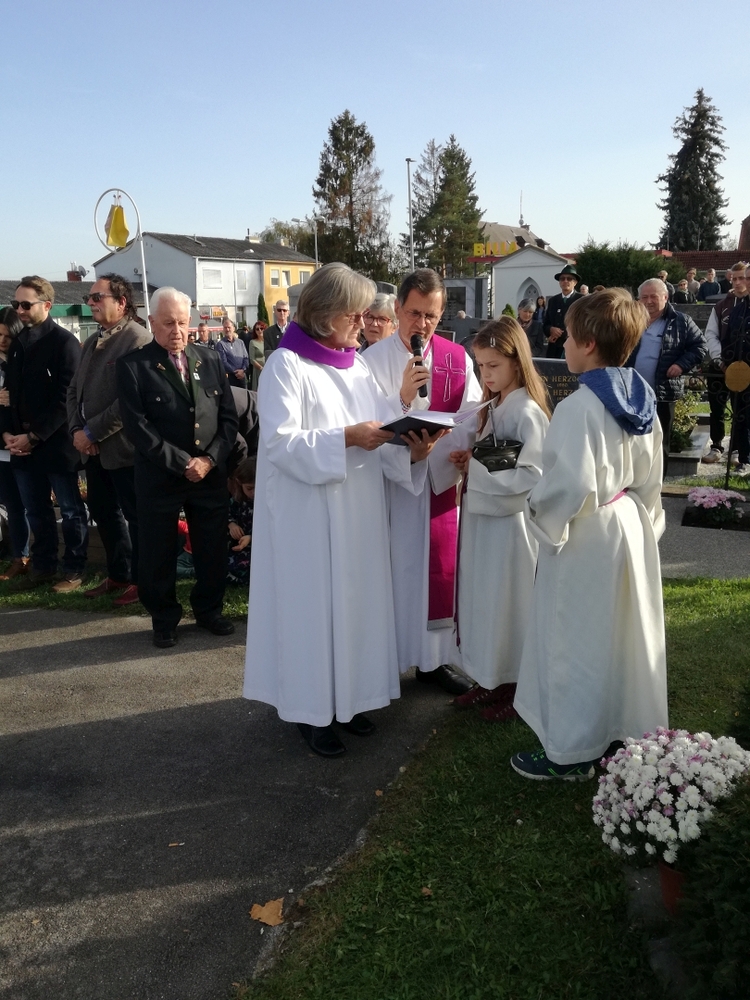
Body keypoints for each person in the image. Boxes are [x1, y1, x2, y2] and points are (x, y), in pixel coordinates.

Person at [243, 263, 444, 757]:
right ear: (325, 313)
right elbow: (281, 445)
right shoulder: (286, 366)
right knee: (314, 611)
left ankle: (351, 700)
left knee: (356, 605)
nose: (363, 323)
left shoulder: (354, 365)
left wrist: (410, 445)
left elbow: (381, 422)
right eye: (354, 314)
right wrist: (346, 439)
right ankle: (311, 712)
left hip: (358, 512)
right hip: (308, 517)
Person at [511, 288, 668, 780]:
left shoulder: (579, 407)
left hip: (587, 532)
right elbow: (651, 476)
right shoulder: (642, 398)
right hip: (627, 520)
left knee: (574, 638)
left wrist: (539, 513)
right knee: (621, 635)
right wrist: (646, 523)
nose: (563, 345)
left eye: (570, 338)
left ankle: (572, 752)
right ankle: (621, 730)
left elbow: (570, 484)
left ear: (589, 345)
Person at [364, 268, 483, 694]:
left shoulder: (456, 357)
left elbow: (471, 414)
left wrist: (457, 450)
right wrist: (402, 404)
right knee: (398, 572)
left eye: (431, 316)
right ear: (398, 309)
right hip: (393, 489)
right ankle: (389, 661)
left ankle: (433, 661)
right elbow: (366, 424)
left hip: (439, 485)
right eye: (414, 313)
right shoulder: (370, 361)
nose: (422, 324)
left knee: (436, 574)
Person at [116, 287, 239, 648]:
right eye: (169, 323)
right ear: (151, 322)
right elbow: (138, 428)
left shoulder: (210, 360)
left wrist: (209, 460)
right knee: (157, 551)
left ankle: (209, 610)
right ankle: (164, 619)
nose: (177, 331)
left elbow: (228, 420)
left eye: (183, 323)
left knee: (211, 548)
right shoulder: (133, 366)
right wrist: (183, 463)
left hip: (208, 475)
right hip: (160, 476)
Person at [448, 319, 550, 720]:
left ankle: (515, 684)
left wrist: (476, 465)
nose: (485, 375)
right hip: (486, 522)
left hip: (511, 527)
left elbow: (533, 473)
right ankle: (490, 677)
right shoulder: (496, 405)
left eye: (493, 366)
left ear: (516, 362)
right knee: (487, 600)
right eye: (480, 366)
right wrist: (470, 461)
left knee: (509, 603)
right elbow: (496, 457)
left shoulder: (526, 411)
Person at [67, 274, 152, 607]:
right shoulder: (92, 340)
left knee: (136, 516)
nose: (91, 303)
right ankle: (118, 573)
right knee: (103, 512)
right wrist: (77, 431)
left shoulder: (137, 339)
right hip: (92, 450)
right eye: (89, 298)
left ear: (121, 301)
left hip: (124, 449)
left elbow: (130, 401)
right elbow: (74, 391)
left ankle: (141, 581)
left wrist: (92, 432)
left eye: (97, 297)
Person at [0, 276, 88, 591]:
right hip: (22, 447)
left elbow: (67, 398)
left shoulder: (65, 343)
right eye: (16, 304)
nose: (20, 310)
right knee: (36, 510)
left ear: (47, 305)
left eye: (26, 304)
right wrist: (9, 435)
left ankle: (74, 569)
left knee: (70, 510)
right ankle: (43, 566)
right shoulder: (19, 344)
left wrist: (34, 436)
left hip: (56, 444)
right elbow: (10, 395)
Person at [631, 278, 706, 473]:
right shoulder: (630, 319)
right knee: (630, 442)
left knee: (660, 441)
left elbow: (700, 347)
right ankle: (631, 484)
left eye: (653, 297)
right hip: (631, 393)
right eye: (644, 297)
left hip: (662, 393)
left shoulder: (681, 321)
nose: (648, 301)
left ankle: (657, 486)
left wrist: (681, 365)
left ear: (665, 297)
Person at [703, 262, 750, 472]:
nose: (738, 282)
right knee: (717, 408)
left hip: (744, 368)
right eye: (735, 278)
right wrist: (719, 359)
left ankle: (738, 449)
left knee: (741, 409)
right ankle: (716, 445)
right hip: (721, 365)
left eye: (743, 278)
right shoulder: (722, 306)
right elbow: (711, 334)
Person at [0, 307, 30, 580]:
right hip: (3, 445)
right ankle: (19, 556)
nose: (2, 341)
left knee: (30, 503)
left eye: (7, 336)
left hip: (26, 442)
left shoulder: (24, 361)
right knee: (11, 503)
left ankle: (34, 557)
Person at [226, 456, 255, 585]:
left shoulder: (270, 504)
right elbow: (225, 513)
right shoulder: (237, 500)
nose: (254, 493)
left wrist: (251, 538)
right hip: (238, 548)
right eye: (249, 488)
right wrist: (231, 524)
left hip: (258, 550)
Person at [544, 265, 584, 358]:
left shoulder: (582, 300)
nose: (565, 281)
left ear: (575, 282)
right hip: (554, 349)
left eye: (569, 279)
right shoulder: (553, 301)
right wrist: (551, 330)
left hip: (573, 348)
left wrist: (562, 333)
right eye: (562, 279)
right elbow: (546, 323)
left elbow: (584, 325)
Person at [215, 318, 249, 388]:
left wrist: (243, 370)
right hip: (230, 378)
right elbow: (223, 362)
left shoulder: (240, 342)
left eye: (229, 327)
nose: (227, 329)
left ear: (233, 328)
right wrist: (236, 372)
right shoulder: (220, 344)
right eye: (225, 328)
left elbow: (246, 358)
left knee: (244, 394)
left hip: (242, 376)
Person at [246, 321, 266, 391]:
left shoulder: (267, 341)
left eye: (261, 328)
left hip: (268, 369)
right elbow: (252, 359)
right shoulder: (253, 342)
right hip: (258, 370)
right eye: (257, 329)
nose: (260, 330)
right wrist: (261, 368)